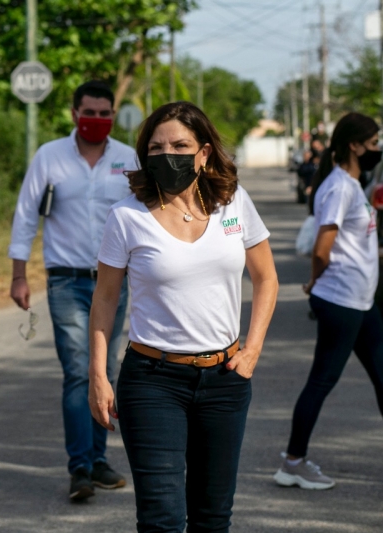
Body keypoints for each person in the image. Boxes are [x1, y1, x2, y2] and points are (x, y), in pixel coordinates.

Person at [89, 101, 278, 531]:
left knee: (213, 519)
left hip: (226, 381)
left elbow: (267, 280)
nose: (167, 155)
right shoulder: (126, 217)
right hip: (152, 381)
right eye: (156, 148)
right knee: (162, 520)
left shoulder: (234, 203)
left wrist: (251, 352)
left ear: (204, 153)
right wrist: (98, 375)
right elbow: (104, 300)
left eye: (180, 145)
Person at [9, 80, 137, 501]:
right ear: (73, 113)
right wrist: (19, 273)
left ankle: (100, 461)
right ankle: (80, 467)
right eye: (89, 112)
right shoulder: (50, 156)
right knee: (79, 370)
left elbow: (146, 216)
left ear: (113, 116)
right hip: (65, 279)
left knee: (107, 371)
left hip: (113, 281)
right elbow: (27, 213)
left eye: (105, 113)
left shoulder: (128, 159)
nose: (96, 120)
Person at [275, 112, 383, 490]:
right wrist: (313, 282)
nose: (377, 149)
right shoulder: (340, 187)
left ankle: (293, 460)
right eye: (373, 143)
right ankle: (292, 462)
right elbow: (323, 248)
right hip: (341, 300)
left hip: (361, 300)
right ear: (354, 145)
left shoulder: (353, 184)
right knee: (322, 380)